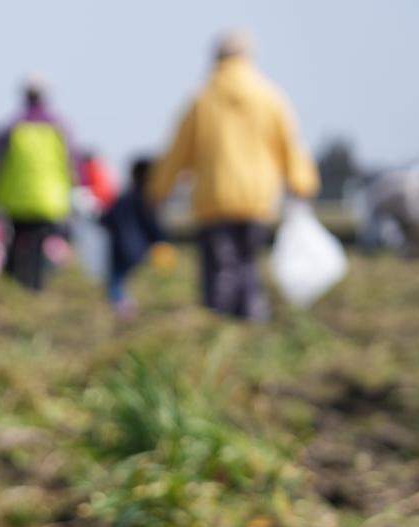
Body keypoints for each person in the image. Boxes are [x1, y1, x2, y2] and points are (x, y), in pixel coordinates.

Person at [149, 29, 319, 320]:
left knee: (219, 267)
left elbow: (178, 152)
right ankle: (251, 317)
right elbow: (290, 144)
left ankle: (219, 324)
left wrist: (159, 190)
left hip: (214, 198)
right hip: (257, 198)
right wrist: (302, 183)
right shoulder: (270, 97)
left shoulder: (202, 100)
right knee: (248, 263)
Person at [0, 77, 76, 291]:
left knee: (16, 241)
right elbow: (73, 162)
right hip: (49, 199)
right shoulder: (58, 127)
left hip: (16, 198)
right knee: (40, 246)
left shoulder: (14, 126)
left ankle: (12, 286)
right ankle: (35, 288)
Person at [99, 157, 167, 318]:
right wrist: (161, 240)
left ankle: (124, 309)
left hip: (119, 247)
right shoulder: (148, 199)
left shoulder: (125, 198)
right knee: (125, 279)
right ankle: (127, 306)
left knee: (116, 281)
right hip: (138, 249)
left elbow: (106, 220)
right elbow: (152, 225)